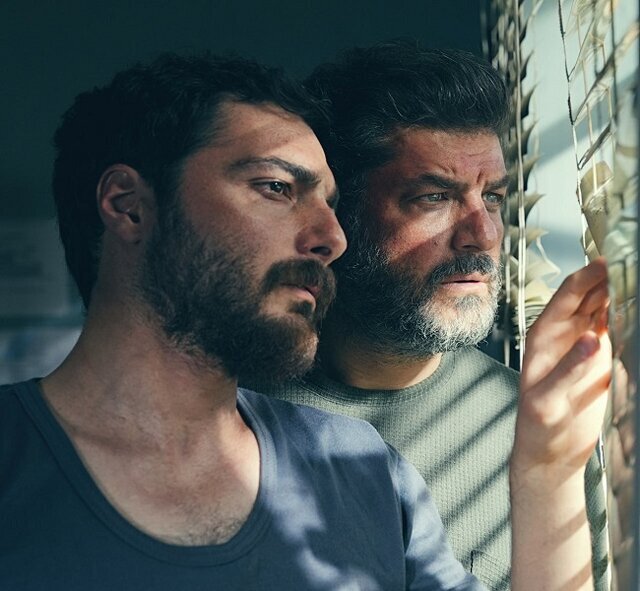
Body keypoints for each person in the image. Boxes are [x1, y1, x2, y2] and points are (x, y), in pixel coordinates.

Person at [0, 52, 610, 591]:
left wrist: (545, 468)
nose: (332, 237)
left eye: (329, 202)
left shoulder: (364, 469)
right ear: (128, 206)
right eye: (276, 187)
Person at [256, 41, 608, 589]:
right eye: (435, 198)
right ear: (339, 214)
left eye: (493, 198)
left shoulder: (540, 428)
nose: (482, 235)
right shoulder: (233, 413)